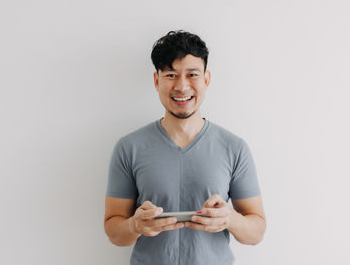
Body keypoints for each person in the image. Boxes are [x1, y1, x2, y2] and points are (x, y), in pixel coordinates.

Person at [104, 30, 266, 265]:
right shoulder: (129, 147)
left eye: (192, 74)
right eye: (171, 74)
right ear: (156, 80)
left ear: (206, 79)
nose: (181, 86)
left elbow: (257, 232)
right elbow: (113, 231)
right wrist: (134, 225)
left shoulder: (234, 148)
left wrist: (230, 219)